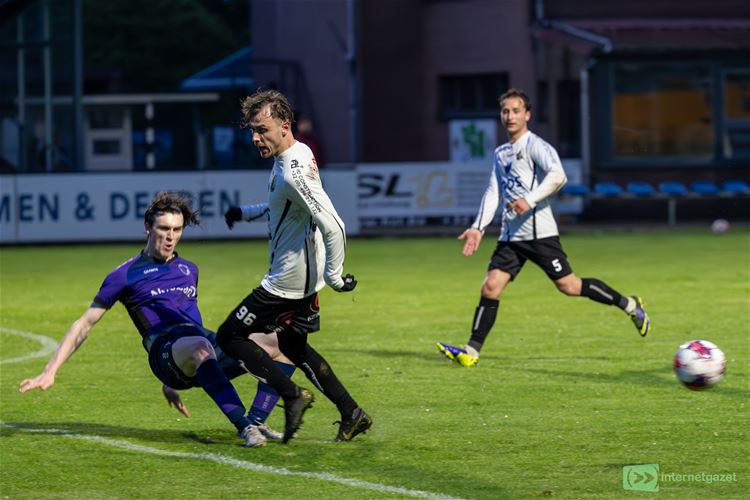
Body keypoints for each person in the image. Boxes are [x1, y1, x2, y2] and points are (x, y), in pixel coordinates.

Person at [19, 191, 281, 447]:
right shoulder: (125, 275)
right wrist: (49, 371)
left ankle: (258, 420)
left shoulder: (188, 269)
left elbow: (188, 319)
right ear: (147, 227)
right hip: (165, 354)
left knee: (278, 342)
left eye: (177, 230)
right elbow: (84, 324)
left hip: (197, 351)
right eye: (164, 228)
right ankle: (244, 426)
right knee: (201, 348)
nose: (170, 237)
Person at [437, 88, 651, 367]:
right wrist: (478, 227)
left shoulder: (535, 145)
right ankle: (471, 351)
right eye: (505, 111)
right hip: (511, 236)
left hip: (540, 235)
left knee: (570, 287)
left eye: (516, 111)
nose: (510, 116)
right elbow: (493, 192)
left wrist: (530, 199)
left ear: (527, 115)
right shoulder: (501, 153)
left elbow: (558, 176)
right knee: (490, 287)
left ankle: (631, 305)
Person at [218, 89, 372, 443]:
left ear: (285, 126)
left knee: (229, 336)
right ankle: (352, 413)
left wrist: (335, 276)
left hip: (285, 284)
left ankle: (292, 394)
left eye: (262, 129)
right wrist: (245, 213)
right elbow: (283, 207)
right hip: (303, 280)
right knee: (296, 349)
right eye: (252, 131)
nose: (256, 137)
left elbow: (334, 225)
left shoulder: (292, 170)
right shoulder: (295, 154)